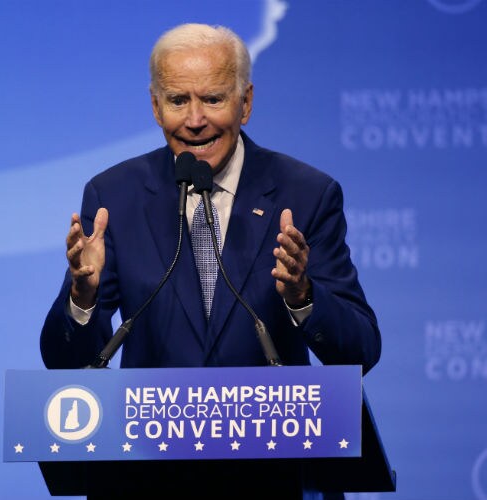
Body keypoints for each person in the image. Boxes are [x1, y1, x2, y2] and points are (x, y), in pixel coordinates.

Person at [40, 23, 381, 499]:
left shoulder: (306, 193)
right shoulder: (113, 195)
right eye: (178, 101)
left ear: (246, 103)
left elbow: (360, 351)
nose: (194, 120)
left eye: (214, 99)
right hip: (149, 478)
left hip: (275, 478)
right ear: (155, 106)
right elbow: (64, 361)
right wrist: (82, 298)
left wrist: (304, 297)